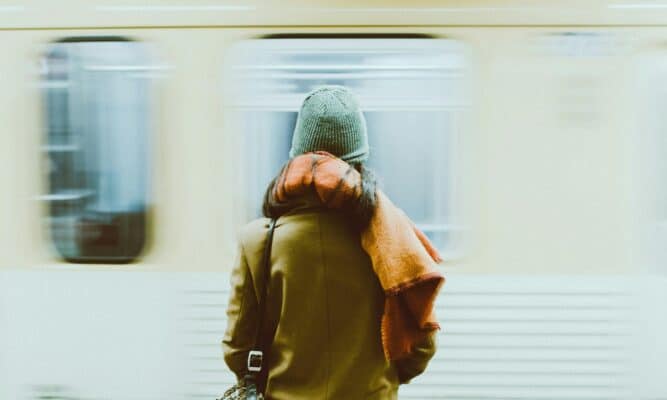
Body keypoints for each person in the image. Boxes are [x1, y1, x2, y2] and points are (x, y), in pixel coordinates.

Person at [223, 86, 444, 399]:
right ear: (359, 160)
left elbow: (237, 349)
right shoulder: (390, 237)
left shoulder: (258, 241)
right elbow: (419, 346)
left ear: (298, 158)